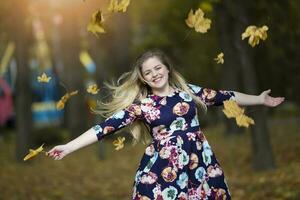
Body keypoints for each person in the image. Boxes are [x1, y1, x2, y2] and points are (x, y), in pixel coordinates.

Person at [48, 49, 284, 200]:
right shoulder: (142, 106)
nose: (154, 74)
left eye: (158, 68)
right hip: (162, 171)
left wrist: (260, 99)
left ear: (167, 68)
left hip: (199, 164)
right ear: (143, 78)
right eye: (148, 72)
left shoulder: (188, 93)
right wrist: (68, 147)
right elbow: (104, 128)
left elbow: (225, 96)